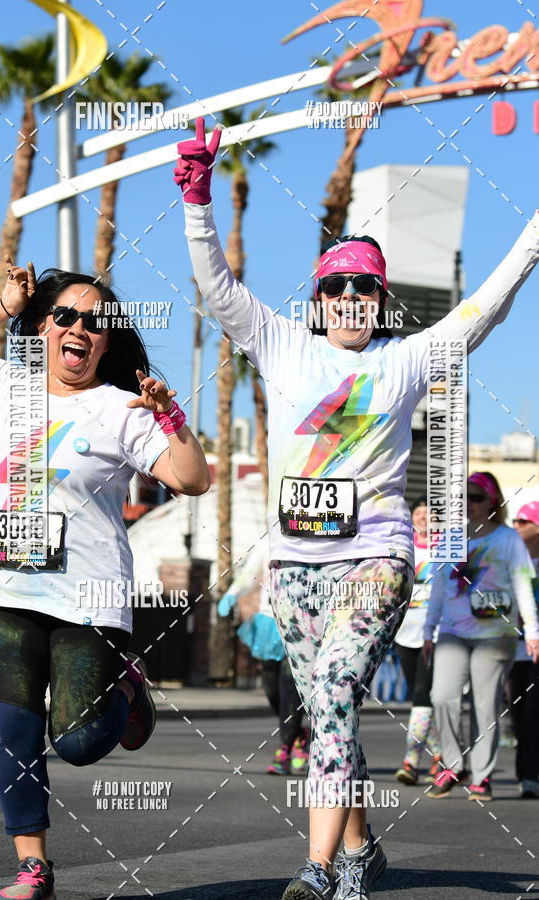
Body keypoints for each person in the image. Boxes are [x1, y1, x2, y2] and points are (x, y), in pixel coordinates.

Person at [173, 117, 539, 900]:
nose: (348, 297)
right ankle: (362, 848)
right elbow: (216, 289)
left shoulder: (404, 360)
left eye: (363, 286)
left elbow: (482, 311)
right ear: (318, 297)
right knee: (328, 716)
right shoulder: (280, 344)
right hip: (294, 569)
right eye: (335, 285)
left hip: (374, 560)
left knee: (335, 694)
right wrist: (198, 201)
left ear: (381, 298)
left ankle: (318, 870)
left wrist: (534, 238)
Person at [0, 261, 210, 900]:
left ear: (107, 341)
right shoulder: (2, 383)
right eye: (65, 316)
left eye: (95, 322)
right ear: (43, 326)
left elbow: (193, 479)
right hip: (7, 589)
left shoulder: (122, 408)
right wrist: (1, 306)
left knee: (81, 742)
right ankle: (32, 867)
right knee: (14, 734)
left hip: (90, 596)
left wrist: (170, 416)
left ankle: (127, 688)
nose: (79, 328)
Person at [424, 473, 539, 802]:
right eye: (464, 497)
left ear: (492, 501)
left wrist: (533, 632)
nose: (469, 503)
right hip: (452, 631)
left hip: (495, 633)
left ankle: (482, 776)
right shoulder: (450, 537)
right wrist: (428, 630)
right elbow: (438, 588)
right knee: (441, 696)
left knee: (484, 705)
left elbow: (522, 586)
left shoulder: (508, 539)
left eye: (476, 497)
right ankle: (454, 764)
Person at [218, 546, 310, 775]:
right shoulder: (266, 545)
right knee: (271, 689)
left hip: (300, 624)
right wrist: (232, 594)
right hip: (269, 623)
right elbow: (248, 575)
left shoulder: (309, 540)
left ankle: (284, 749)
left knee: (290, 686)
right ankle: (298, 734)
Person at [394, 497, 442, 785]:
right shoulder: (403, 547)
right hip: (404, 633)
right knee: (419, 699)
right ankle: (442, 756)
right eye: (419, 513)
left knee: (423, 696)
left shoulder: (445, 548)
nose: (424, 517)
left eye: (429, 513)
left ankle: (411, 760)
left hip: (432, 635)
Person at [511, 501, 539, 798]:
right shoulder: (511, 558)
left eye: (523, 521)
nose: (516, 526)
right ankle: (526, 771)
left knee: (533, 713)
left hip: (536, 649)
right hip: (512, 648)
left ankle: (529, 775)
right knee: (518, 714)